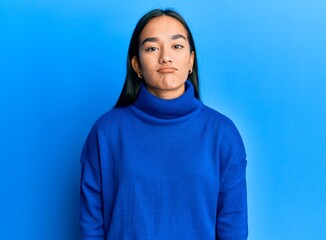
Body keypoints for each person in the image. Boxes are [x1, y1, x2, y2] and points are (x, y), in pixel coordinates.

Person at [80, 8, 248, 240]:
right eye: (152, 48)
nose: (165, 57)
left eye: (177, 46)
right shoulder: (106, 133)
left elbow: (233, 228)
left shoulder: (222, 134)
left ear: (191, 60)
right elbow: (91, 226)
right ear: (137, 65)